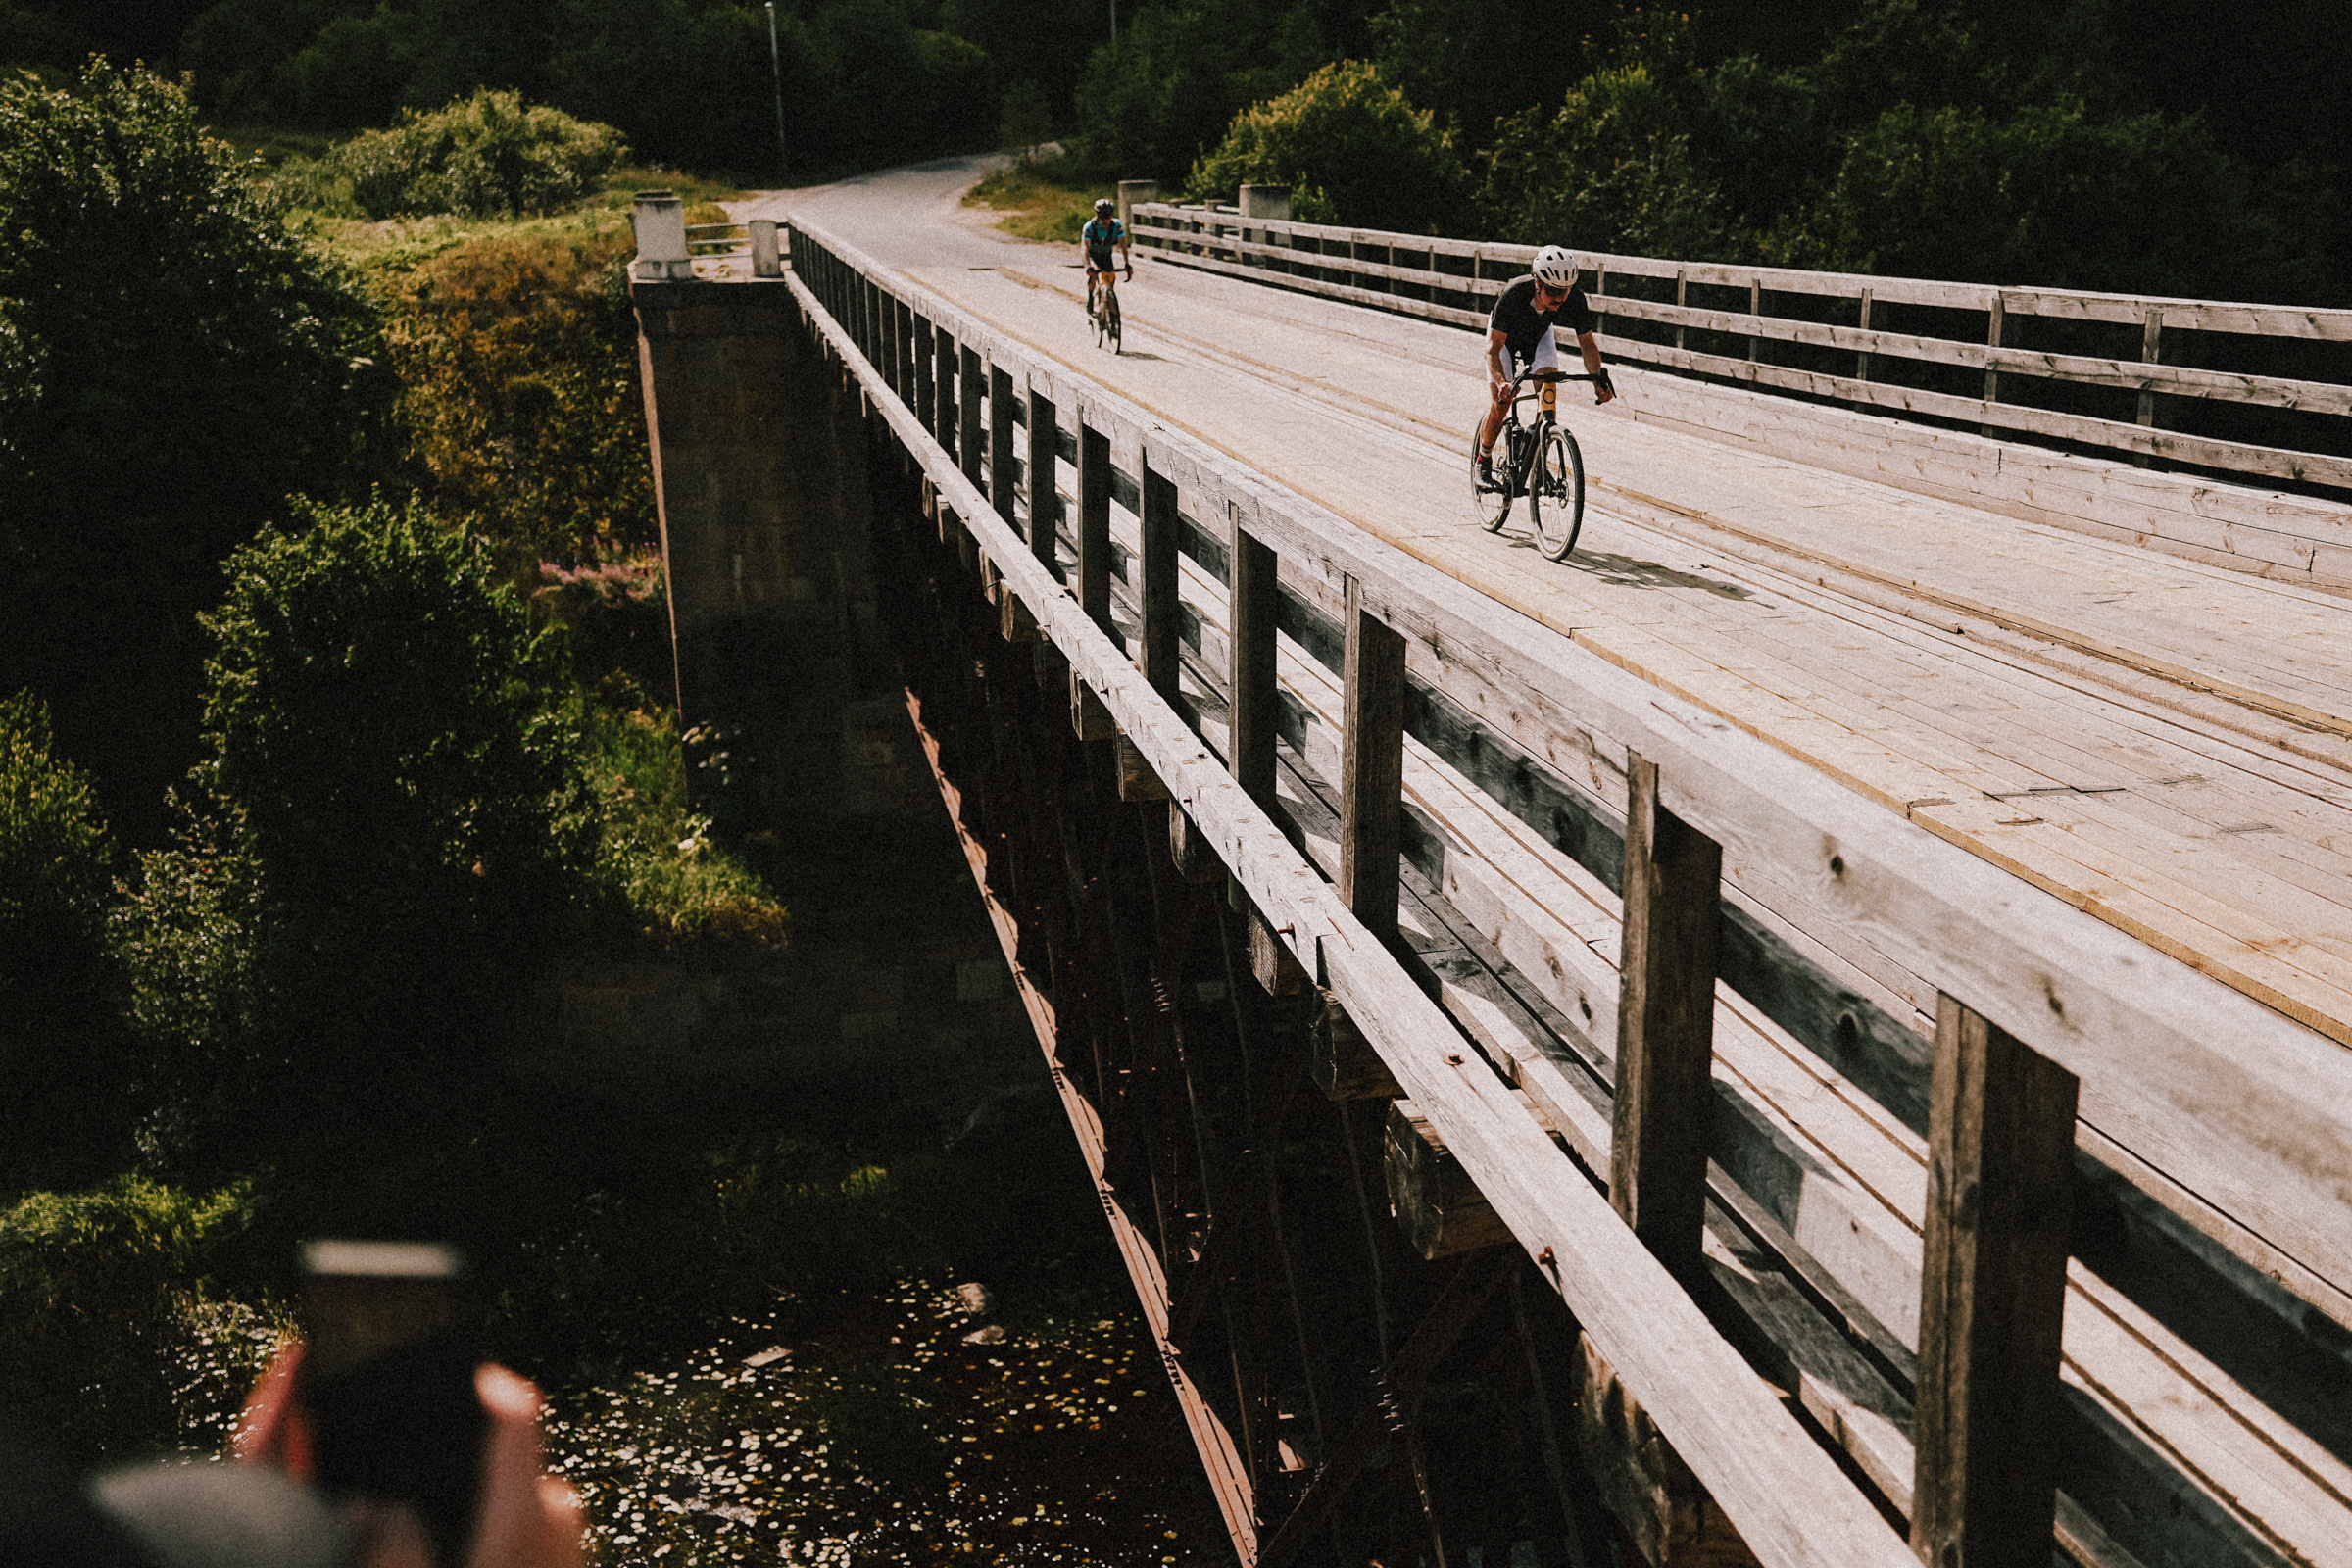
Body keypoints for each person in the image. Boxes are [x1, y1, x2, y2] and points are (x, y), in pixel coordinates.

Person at [1476, 244, 1614, 489]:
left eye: (1565, 291)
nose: (1559, 299)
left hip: (1538, 335)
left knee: (1548, 390)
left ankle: (1536, 455)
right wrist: (1501, 383)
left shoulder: (1573, 298)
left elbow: (1588, 345)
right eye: (1552, 291)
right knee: (1501, 404)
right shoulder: (1515, 293)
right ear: (1537, 283)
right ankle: (1483, 459)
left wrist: (1597, 379)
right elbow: (1493, 349)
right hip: (1504, 340)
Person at [1079, 197, 1132, 320]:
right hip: (1093, 255)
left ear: (1111, 216)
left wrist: (1127, 264)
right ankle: (1091, 299)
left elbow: (1124, 245)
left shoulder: (1117, 225)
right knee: (1094, 274)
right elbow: (1085, 248)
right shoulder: (1089, 227)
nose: (1105, 220)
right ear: (1096, 215)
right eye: (1101, 217)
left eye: (1107, 217)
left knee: (1110, 280)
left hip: (1106, 255)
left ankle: (1111, 310)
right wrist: (1088, 267)